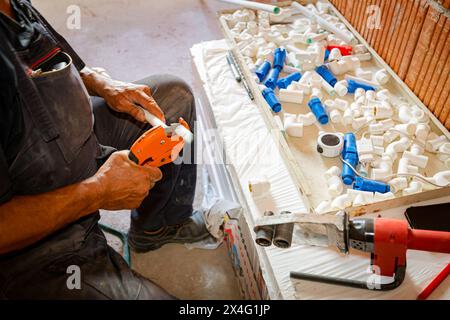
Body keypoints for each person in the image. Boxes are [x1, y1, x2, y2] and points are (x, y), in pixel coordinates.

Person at [0, 0, 209, 299]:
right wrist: (97, 191)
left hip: (73, 148)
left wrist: (98, 81)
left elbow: (48, 55)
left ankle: (156, 228)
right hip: (31, 249)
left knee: (173, 98)